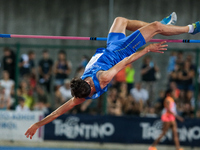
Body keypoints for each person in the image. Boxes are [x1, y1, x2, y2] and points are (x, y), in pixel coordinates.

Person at [25, 12, 200, 139]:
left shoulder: (79, 93)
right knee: (155, 28)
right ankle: (190, 28)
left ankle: (164, 24)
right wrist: (147, 49)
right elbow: (126, 62)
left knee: (121, 20)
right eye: (88, 85)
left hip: (110, 46)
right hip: (122, 51)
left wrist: (37, 124)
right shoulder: (103, 78)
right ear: (91, 87)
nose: (87, 82)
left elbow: (57, 112)